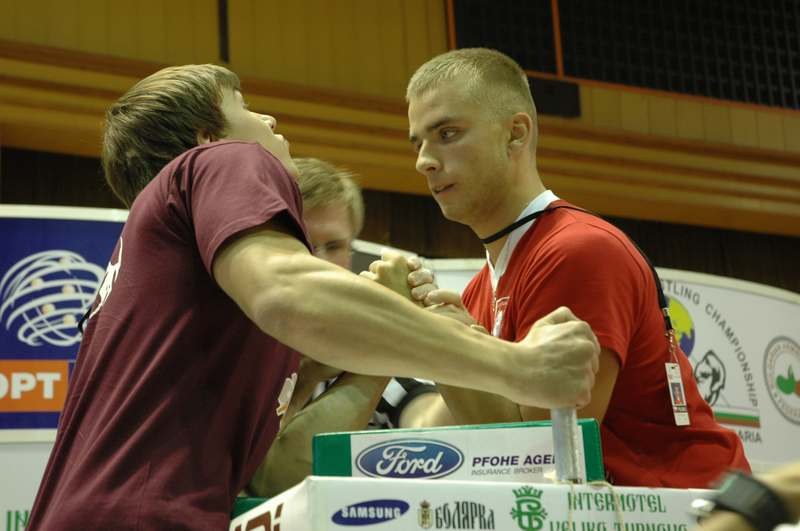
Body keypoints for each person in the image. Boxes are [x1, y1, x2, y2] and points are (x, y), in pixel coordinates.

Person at [26, 64, 600, 530]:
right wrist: (521, 367)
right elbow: (286, 292)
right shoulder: (223, 160)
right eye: (245, 106)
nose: (268, 119)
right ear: (209, 139)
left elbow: (271, 456)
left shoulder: (165, 270)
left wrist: (365, 339)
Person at [394, 47, 750, 488]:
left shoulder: (578, 250)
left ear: (516, 134)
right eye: (418, 143)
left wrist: (442, 340)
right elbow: (460, 439)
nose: (423, 161)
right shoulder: (477, 292)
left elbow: (543, 454)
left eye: (447, 133)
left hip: (697, 510)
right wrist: (406, 334)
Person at [246, 158, 453, 496]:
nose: (320, 262)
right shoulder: (238, 354)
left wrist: (445, 336)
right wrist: (385, 338)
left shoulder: (370, 364)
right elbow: (268, 483)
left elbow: (431, 429)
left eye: (334, 246)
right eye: (303, 244)